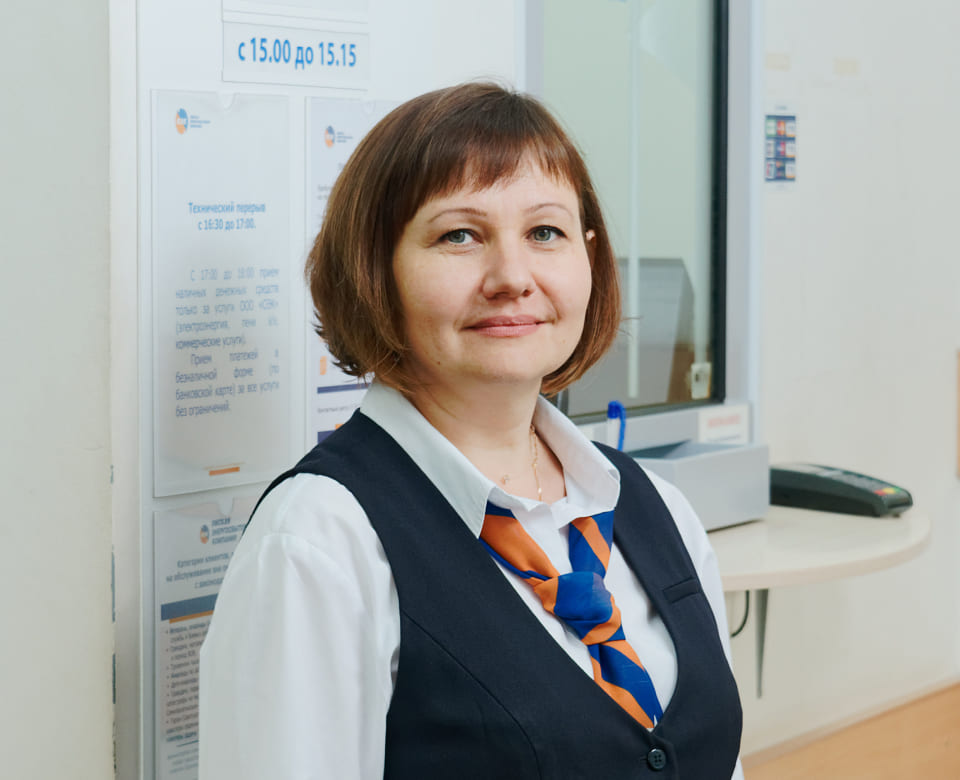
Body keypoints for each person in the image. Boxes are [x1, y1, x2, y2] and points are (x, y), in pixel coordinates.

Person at [199, 82, 743, 779]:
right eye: (459, 235)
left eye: (545, 233)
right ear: (375, 270)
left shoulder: (655, 505)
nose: (512, 277)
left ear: (589, 256)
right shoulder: (318, 541)